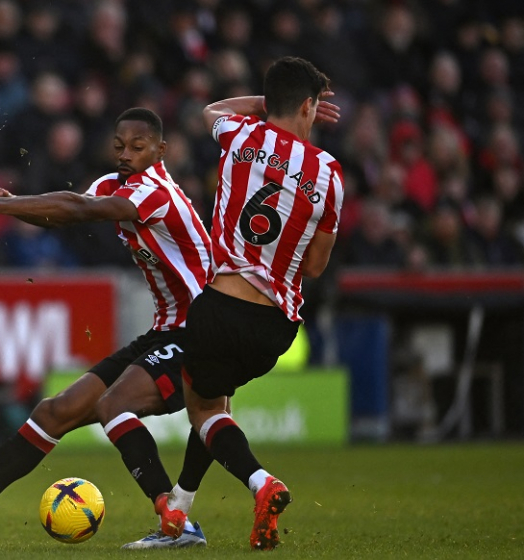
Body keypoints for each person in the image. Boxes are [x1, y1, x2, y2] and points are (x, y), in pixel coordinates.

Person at [0, 107, 211, 548]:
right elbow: (63, 211)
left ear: (161, 150)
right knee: (53, 412)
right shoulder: (113, 186)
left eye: (138, 147)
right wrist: (11, 201)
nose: (126, 154)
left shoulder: (155, 192)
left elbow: (76, 208)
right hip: (164, 330)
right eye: (119, 146)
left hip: (200, 330)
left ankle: (176, 521)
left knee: (117, 406)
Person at [102, 57, 344, 551]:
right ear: (309, 107)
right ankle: (181, 513)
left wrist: (264, 104)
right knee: (216, 403)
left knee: (206, 413)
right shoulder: (330, 174)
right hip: (278, 324)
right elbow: (316, 267)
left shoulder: (239, 134)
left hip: (220, 305)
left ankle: (260, 482)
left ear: (268, 103)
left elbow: (210, 109)